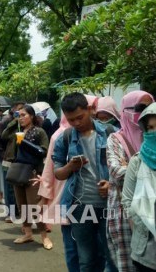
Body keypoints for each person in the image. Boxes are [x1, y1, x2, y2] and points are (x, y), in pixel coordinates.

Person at [53, 92, 116, 271]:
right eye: (71, 120)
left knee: (111, 256)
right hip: (79, 207)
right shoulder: (65, 138)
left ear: (90, 110)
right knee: (86, 259)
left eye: (80, 117)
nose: (76, 123)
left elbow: (124, 167)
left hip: (108, 204)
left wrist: (111, 184)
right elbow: (58, 173)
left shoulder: (111, 133)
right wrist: (70, 167)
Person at [106, 91, 154, 272]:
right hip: (125, 212)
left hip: (152, 212)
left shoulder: (151, 135)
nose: (146, 113)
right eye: (141, 108)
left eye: (150, 107)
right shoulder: (116, 139)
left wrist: (133, 169)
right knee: (128, 264)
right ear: (126, 111)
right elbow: (117, 171)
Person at [1, 105, 52, 249]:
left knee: (35, 207)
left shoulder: (39, 132)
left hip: (33, 172)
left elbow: (44, 151)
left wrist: (24, 142)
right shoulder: (18, 132)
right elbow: (3, 137)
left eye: (24, 115)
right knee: (21, 205)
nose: (21, 118)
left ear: (32, 116)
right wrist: (13, 122)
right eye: (19, 115)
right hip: (18, 171)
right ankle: (28, 234)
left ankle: (44, 237)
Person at [122, 102, 156, 272]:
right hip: (145, 251)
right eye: (150, 127)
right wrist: (143, 223)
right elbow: (127, 200)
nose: (154, 132)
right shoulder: (137, 161)